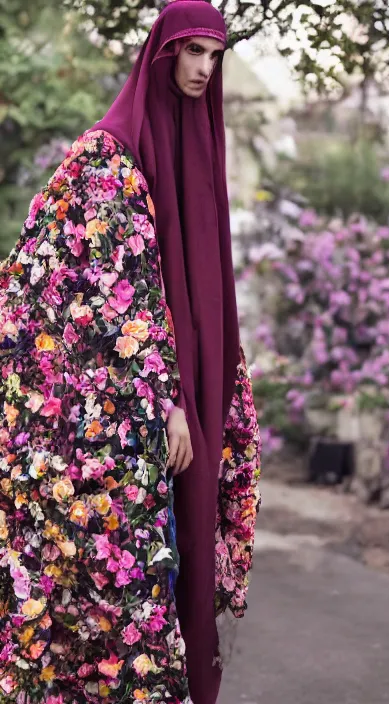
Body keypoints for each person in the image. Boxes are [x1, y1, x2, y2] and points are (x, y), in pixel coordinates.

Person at [0, 1, 261, 702]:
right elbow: (114, 296)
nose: (204, 68)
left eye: (215, 55)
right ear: (162, 55)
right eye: (193, 52)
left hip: (176, 391)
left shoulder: (198, 140)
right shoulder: (106, 155)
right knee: (121, 601)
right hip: (123, 415)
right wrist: (169, 402)